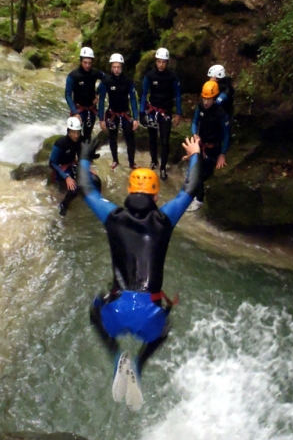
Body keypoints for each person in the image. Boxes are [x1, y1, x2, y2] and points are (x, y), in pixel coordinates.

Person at [78, 136, 203, 410]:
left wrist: (84, 157)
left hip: (116, 310)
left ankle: (115, 356)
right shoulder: (164, 219)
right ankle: (138, 363)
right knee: (163, 330)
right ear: (156, 196)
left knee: (94, 310)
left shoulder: (112, 216)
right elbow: (190, 188)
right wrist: (195, 154)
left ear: (129, 190)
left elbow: (86, 188)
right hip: (150, 313)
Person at [139, 47, 182, 181]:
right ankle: (153, 160)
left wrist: (178, 113)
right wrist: (142, 112)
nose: (161, 64)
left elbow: (178, 96)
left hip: (165, 113)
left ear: (167, 62)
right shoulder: (150, 76)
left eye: (163, 62)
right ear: (155, 61)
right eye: (159, 61)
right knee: (152, 138)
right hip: (152, 111)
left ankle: (163, 168)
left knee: (165, 140)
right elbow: (144, 94)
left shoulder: (172, 77)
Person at [189, 80, 230, 212]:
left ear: (215, 98)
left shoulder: (221, 114)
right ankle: (196, 194)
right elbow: (195, 122)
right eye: (204, 98)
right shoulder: (200, 106)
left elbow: (227, 135)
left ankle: (199, 199)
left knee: (202, 173)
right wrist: (195, 134)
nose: (206, 102)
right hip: (200, 145)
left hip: (213, 149)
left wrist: (222, 155)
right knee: (197, 171)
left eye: (209, 99)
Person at [97, 53, 139, 170]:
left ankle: (131, 162)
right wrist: (101, 119)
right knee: (112, 138)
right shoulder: (107, 81)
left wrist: (135, 118)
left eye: (118, 67)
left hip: (125, 113)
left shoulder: (128, 81)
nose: (116, 69)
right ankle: (115, 160)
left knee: (130, 139)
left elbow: (133, 100)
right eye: (114, 67)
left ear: (122, 67)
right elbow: (101, 101)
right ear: (111, 67)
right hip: (112, 114)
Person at [65, 47, 105, 142]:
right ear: (81, 61)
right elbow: (67, 95)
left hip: (91, 110)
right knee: (74, 136)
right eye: (85, 62)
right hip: (79, 110)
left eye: (90, 63)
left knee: (87, 137)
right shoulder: (73, 76)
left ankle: (86, 155)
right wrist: (74, 112)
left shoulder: (95, 73)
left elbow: (107, 80)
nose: (87, 65)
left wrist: (97, 93)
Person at [49, 116, 83, 216]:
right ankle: (63, 205)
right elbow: (52, 163)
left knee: (93, 179)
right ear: (68, 131)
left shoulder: (78, 140)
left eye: (78, 132)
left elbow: (80, 156)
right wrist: (66, 177)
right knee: (74, 190)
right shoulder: (60, 143)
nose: (76, 135)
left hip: (72, 165)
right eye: (73, 132)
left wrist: (86, 166)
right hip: (61, 169)